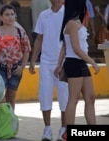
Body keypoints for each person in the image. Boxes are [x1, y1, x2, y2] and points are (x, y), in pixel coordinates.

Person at [54, 0, 100, 140]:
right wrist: (93, 62)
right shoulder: (72, 24)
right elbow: (75, 48)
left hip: (80, 63)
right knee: (73, 99)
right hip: (74, 63)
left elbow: (64, 46)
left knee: (90, 98)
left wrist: (58, 64)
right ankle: (68, 133)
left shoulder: (77, 23)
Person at [0, 4, 31, 129]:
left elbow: (26, 50)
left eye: (12, 14)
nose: (10, 17)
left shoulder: (20, 32)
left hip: (15, 68)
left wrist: (22, 67)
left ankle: (9, 125)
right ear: (0, 17)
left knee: (11, 96)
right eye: (7, 14)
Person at [29, 0, 68, 140]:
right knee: (45, 95)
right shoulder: (43, 15)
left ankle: (64, 129)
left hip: (64, 62)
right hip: (45, 62)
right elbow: (39, 39)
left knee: (65, 97)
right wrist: (33, 60)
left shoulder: (69, 14)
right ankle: (47, 129)